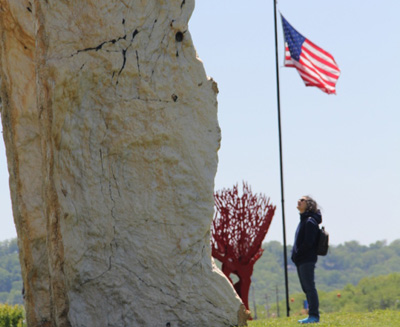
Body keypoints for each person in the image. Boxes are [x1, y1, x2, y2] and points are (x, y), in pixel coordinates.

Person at [291, 196, 322, 324]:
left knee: (309, 287)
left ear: (308, 204)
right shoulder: (304, 220)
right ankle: (312, 315)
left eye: (302, 200)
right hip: (302, 260)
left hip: (306, 259)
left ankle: (314, 316)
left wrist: (297, 254)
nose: (299, 200)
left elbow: (308, 243)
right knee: (306, 288)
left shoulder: (309, 221)